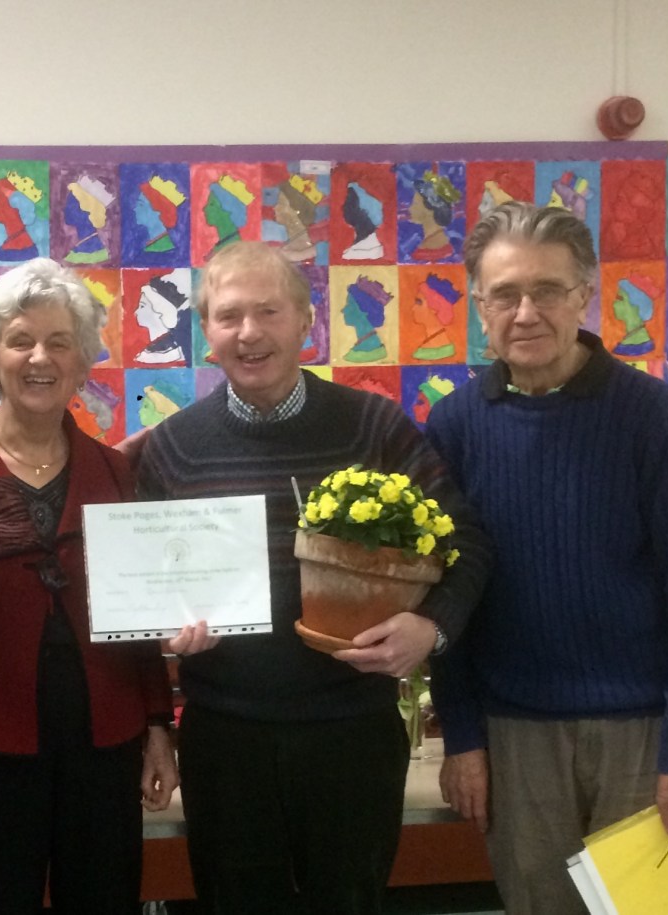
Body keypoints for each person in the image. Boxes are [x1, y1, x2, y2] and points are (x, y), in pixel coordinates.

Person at [136, 240, 490, 915]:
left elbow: (467, 541)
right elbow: (144, 593)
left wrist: (431, 628)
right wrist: (162, 646)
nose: (249, 332)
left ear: (306, 320)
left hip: (352, 734)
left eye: (268, 311)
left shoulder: (374, 427)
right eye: (229, 315)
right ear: (206, 331)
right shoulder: (173, 447)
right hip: (225, 742)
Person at [427, 201, 668, 915]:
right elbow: (447, 594)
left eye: (548, 290)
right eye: (505, 294)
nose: (526, 312)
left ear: (584, 296)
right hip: (516, 737)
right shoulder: (455, 424)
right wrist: (463, 736)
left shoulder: (648, 413)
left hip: (644, 731)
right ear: (479, 306)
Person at [0, 257, 177, 914]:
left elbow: (139, 613)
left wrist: (157, 724)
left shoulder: (115, 472)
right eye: (20, 340)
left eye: (59, 342)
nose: (39, 358)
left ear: (82, 362)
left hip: (105, 740)